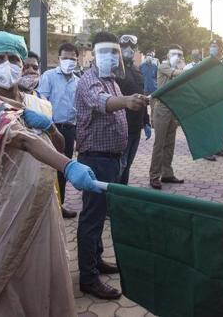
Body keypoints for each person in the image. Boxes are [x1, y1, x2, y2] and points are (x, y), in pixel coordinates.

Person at [0, 31, 101, 316]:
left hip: (42, 202)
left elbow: (60, 144)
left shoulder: (37, 103)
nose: (7, 65)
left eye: (13, 58)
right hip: (3, 209)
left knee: (45, 269)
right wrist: (68, 165)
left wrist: (50, 127)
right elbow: (24, 140)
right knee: (9, 273)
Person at [75, 31, 146, 299]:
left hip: (111, 160)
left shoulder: (113, 81)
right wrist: (128, 101)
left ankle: (97, 260)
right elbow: (102, 103)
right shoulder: (89, 81)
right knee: (92, 219)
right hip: (95, 159)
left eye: (114, 52)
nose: (111, 56)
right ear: (93, 54)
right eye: (105, 51)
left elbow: (115, 99)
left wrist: (135, 102)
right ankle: (88, 277)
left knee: (99, 215)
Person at [38, 43, 80, 219]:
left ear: (77, 60)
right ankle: (42, 208)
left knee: (63, 169)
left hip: (69, 131)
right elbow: (42, 102)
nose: (69, 61)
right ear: (59, 59)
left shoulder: (78, 81)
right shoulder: (48, 76)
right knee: (45, 168)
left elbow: (79, 109)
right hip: (51, 130)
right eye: (65, 58)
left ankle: (59, 205)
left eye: (72, 58)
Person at [149, 44, 187, 189]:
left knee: (170, 143)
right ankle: (154, 176)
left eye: (179, 54)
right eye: (174, 54)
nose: (177, 57)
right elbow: (179, 74)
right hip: (162, 108)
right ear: (167, 55)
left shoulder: (177, 68)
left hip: (173, 108)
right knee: (159, 144)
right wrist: (184, 67)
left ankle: (167, 173)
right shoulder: (163, 66)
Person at [116, 34, 151, 185]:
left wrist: (146, 121)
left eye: (132, 47)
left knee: (128, 165)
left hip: (137, 126)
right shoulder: (116, 71)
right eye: (124, 46)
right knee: (120, 165)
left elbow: (141, 95)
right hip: (122, 126)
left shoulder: (137, 70)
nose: (128, 50)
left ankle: (122, 195)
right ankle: (112, 198)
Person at [204, 40, 223, 161]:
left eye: (215, 46)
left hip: (222, 97)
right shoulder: (205, 62)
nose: (213, 48)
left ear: (220, 48)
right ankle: (206, 150)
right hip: (209, 98)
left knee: (222, 124)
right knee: (209, 125)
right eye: (211, 46)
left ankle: (219, 148)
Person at [141, 49, 159, 124]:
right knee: (143, 106)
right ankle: (143, 122)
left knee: (153, 107)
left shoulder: (155, 66)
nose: (149, 57)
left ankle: (153, 122)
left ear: (153, 57)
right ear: (145, 57)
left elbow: (157, 77)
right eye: (148, 55)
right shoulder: (141, 66)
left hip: (153, 89)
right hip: (144, 89)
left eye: (151, 56)